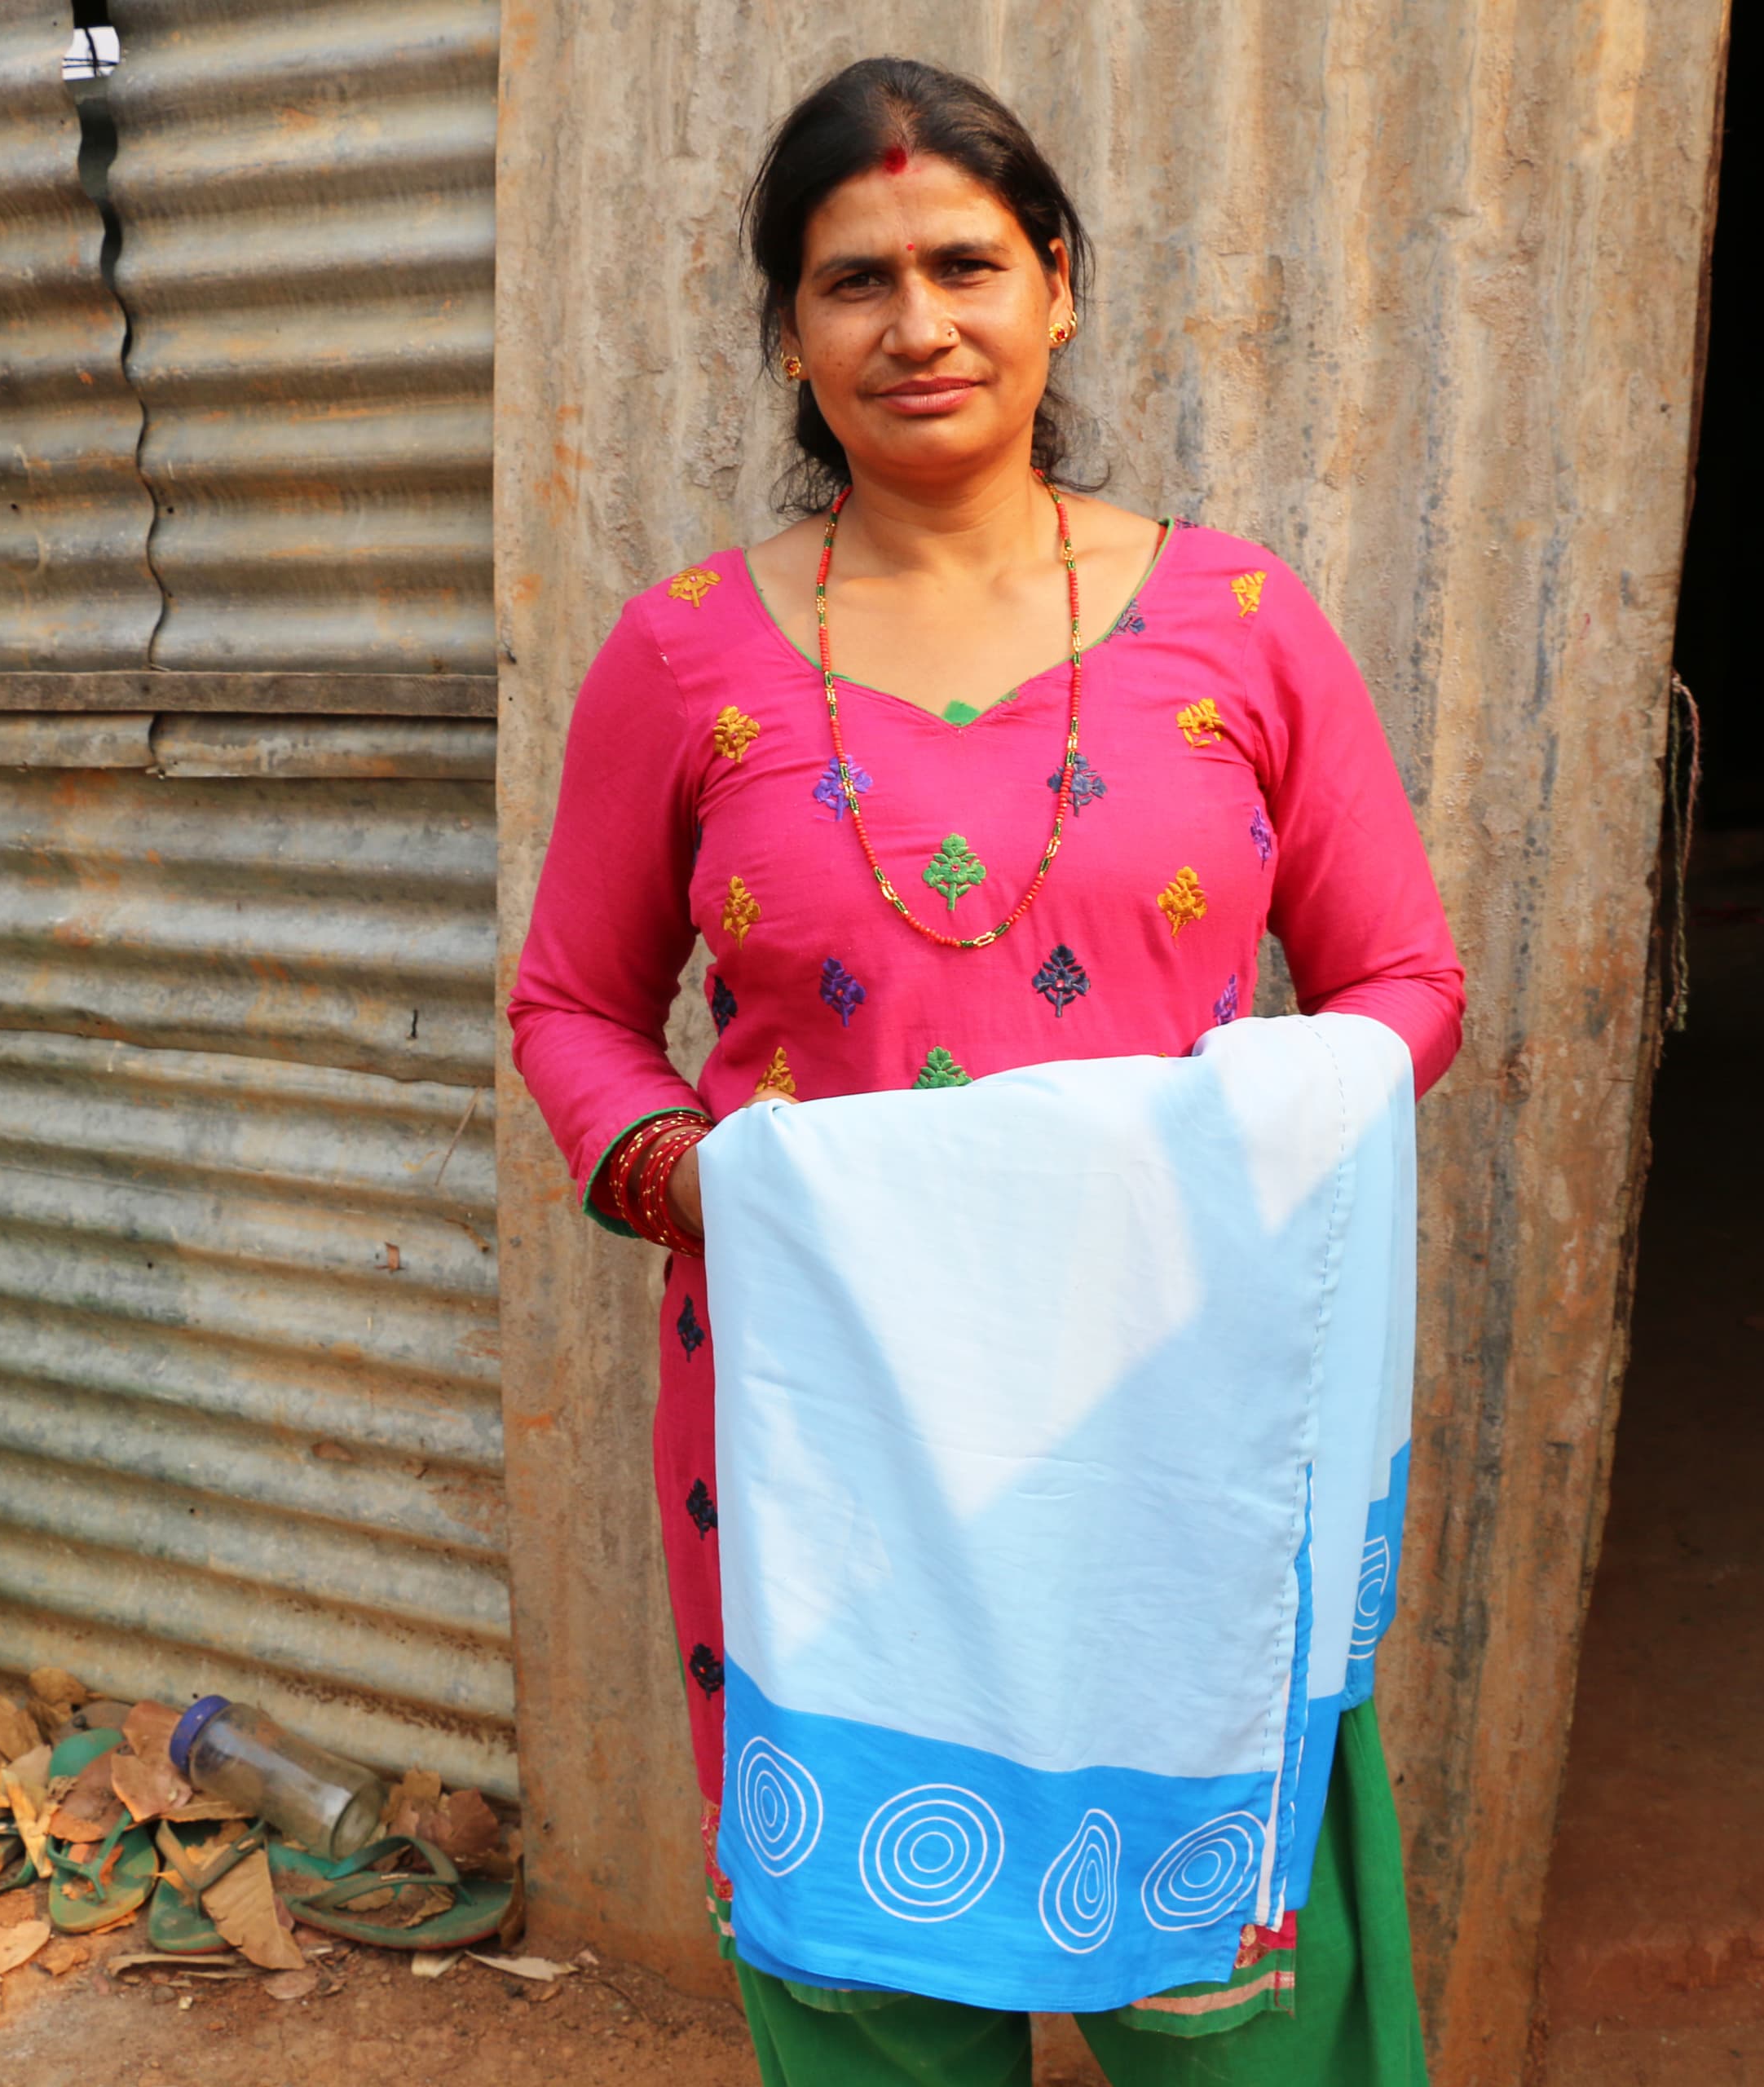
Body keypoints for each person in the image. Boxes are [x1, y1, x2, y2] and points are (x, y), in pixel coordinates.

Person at [508, 55, 1466, 2087]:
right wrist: (690, 1175)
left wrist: (1248, 1139)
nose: (916, 323)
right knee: (882, 1988)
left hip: (1174, 1414)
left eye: (966, 264)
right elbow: (571, 1006)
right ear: (790, 330)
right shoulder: (684, 656)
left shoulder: (1238, 621)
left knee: (1227, 2011)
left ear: (1059, 289)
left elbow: (1403, 977)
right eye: (854, 279)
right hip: (830, 1426)